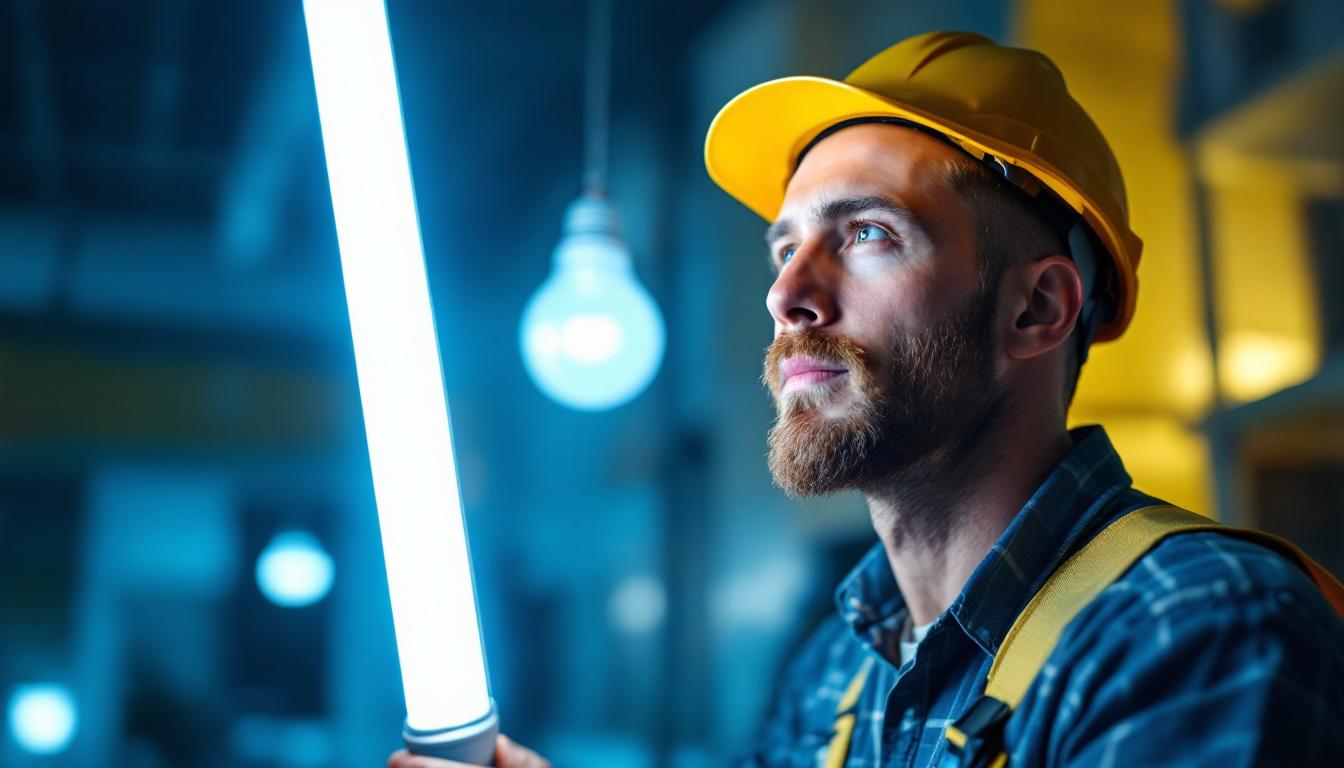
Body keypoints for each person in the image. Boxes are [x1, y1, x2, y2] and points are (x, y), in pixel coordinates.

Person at [391, 30, 1344, 768]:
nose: (787, 295)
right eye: (785, 246)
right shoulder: (843, 667)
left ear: (1037, 308)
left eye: (871, 235)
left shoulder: (1197, 629)